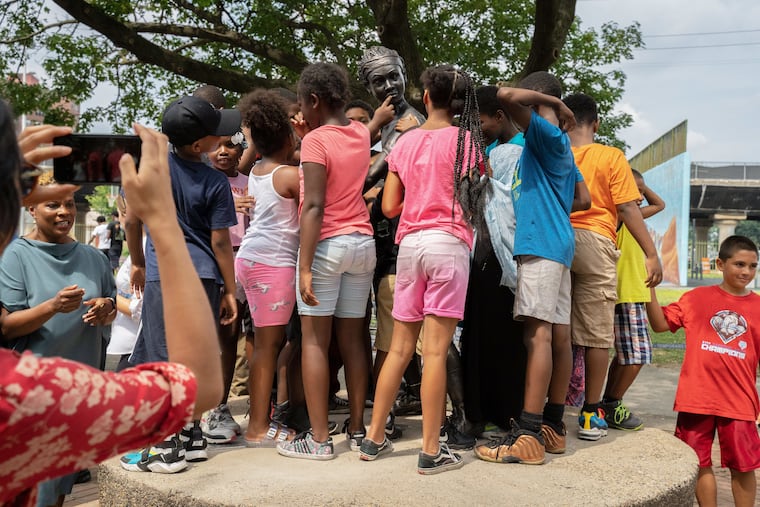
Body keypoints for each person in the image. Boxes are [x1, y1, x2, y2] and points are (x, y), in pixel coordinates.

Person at [0, 104, 222, 505]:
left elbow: (111, 302)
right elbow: (200, 388)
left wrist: (105, 305)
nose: (65, 210)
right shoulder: (38, 394)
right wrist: (164, 223)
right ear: (27, 206)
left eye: (70, 202)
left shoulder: (91, 257)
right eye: (53, 203)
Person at [358, 65, 487, 474]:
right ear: (460, 103)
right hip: (448, 246)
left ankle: (373, 438)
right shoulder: (468, 141)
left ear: (426, 98)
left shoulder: (406, 143)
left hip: (409, 247)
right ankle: (431, 450)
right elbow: (474, 203)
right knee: (434, 353)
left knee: (398, 349)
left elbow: (390, 206)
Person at [124, 95, 240, 471]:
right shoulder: (215, 181)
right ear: (198, 145)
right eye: (216, 135)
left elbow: (131, 222)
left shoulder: (152, 171)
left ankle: (166, 449)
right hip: (204, 275)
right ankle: (189, 438)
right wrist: (230, 289)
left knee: (163, 356)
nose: (223, 140)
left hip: (165, 274)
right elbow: (221, 241)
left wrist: (137, 264)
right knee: (191, 357)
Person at [474, 72, 582, 466]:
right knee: (557, 335)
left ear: (538, 108)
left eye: (530, 108)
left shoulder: (547, 135)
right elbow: (582, 196)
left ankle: (528, 433)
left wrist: (555, 104)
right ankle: (552, 425)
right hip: (559, 244)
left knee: (536, 337)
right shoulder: (560, 148)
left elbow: (504, 94)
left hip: (540, 245)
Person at [275, 62, 376, 461]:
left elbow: (314, 203)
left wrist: (304, 265)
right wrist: (309, 136)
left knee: (315, 341)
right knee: (353, 339)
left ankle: (318, 440)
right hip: (362, 244)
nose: (300, 111)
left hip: (328, 247)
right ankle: (356, 427)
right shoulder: (359, 132)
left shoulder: (317, 141)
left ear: (313, 100)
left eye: (302, 103)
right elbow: (341, 171)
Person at [562, 92, 662, 441]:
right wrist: (651, 253)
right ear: (597, 123)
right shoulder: (610, 156)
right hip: (595, 243)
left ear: (563, 120)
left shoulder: (552, 153)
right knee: (596, 336)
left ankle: (549, 412)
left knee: (555, 329)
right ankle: (591, 414)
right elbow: (628, 208)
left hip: (554, 240)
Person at [646, 235, 760, 507]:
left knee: (743, 466)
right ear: (720, 264)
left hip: (739, 401)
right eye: (739, 264)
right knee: (697, 461)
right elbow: (660, 324)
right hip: (696, 397)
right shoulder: (696, 298)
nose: (746, 271)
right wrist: (648, 289)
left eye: (753, 266)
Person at [235, 89, 300, 446]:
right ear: (289, 137)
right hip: (272, 266)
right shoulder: (291, 176)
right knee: (267, 348)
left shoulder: (257, 170)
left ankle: (262, 417)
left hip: (250, 259)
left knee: (266, 344)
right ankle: (258, 426)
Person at [460, 85, 526, 436]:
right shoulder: (489, 150)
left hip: (509, 256)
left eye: (480, 122)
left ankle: (506, 412)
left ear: (500, 116)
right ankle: (479, 410)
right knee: (480, 334)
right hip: (482, 254)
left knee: (507, 338)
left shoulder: (523, 151)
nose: (476, 130)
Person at [601, 169, 665, 430]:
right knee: (637, 355)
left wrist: (637, 184)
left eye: (642, 191)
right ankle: (612, 402)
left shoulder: (632, 215)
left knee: (625, 356)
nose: (640, 197)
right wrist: (626, 189)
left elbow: (660, 204)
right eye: (635, 191)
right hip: (623, 292)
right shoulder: (618, 215)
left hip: (633, 292)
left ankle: (609, 402)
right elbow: (650, 205)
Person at [201, 131, 251, 444]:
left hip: (247, 264)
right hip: (215, 265)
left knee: (231, 336)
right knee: (211, 338)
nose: (223, 152)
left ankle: (220, 405)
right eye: (217, 146)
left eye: (230, 145)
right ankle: (204, 407)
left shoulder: (251, 179)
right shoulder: (204, 181)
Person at [358, 46, 426, 192]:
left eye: (394, 76)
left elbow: (372, 176)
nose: (389, 86)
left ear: (404, 75)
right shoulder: (386, 118)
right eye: (379, 81)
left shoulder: (409, 121)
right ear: (368, 87)